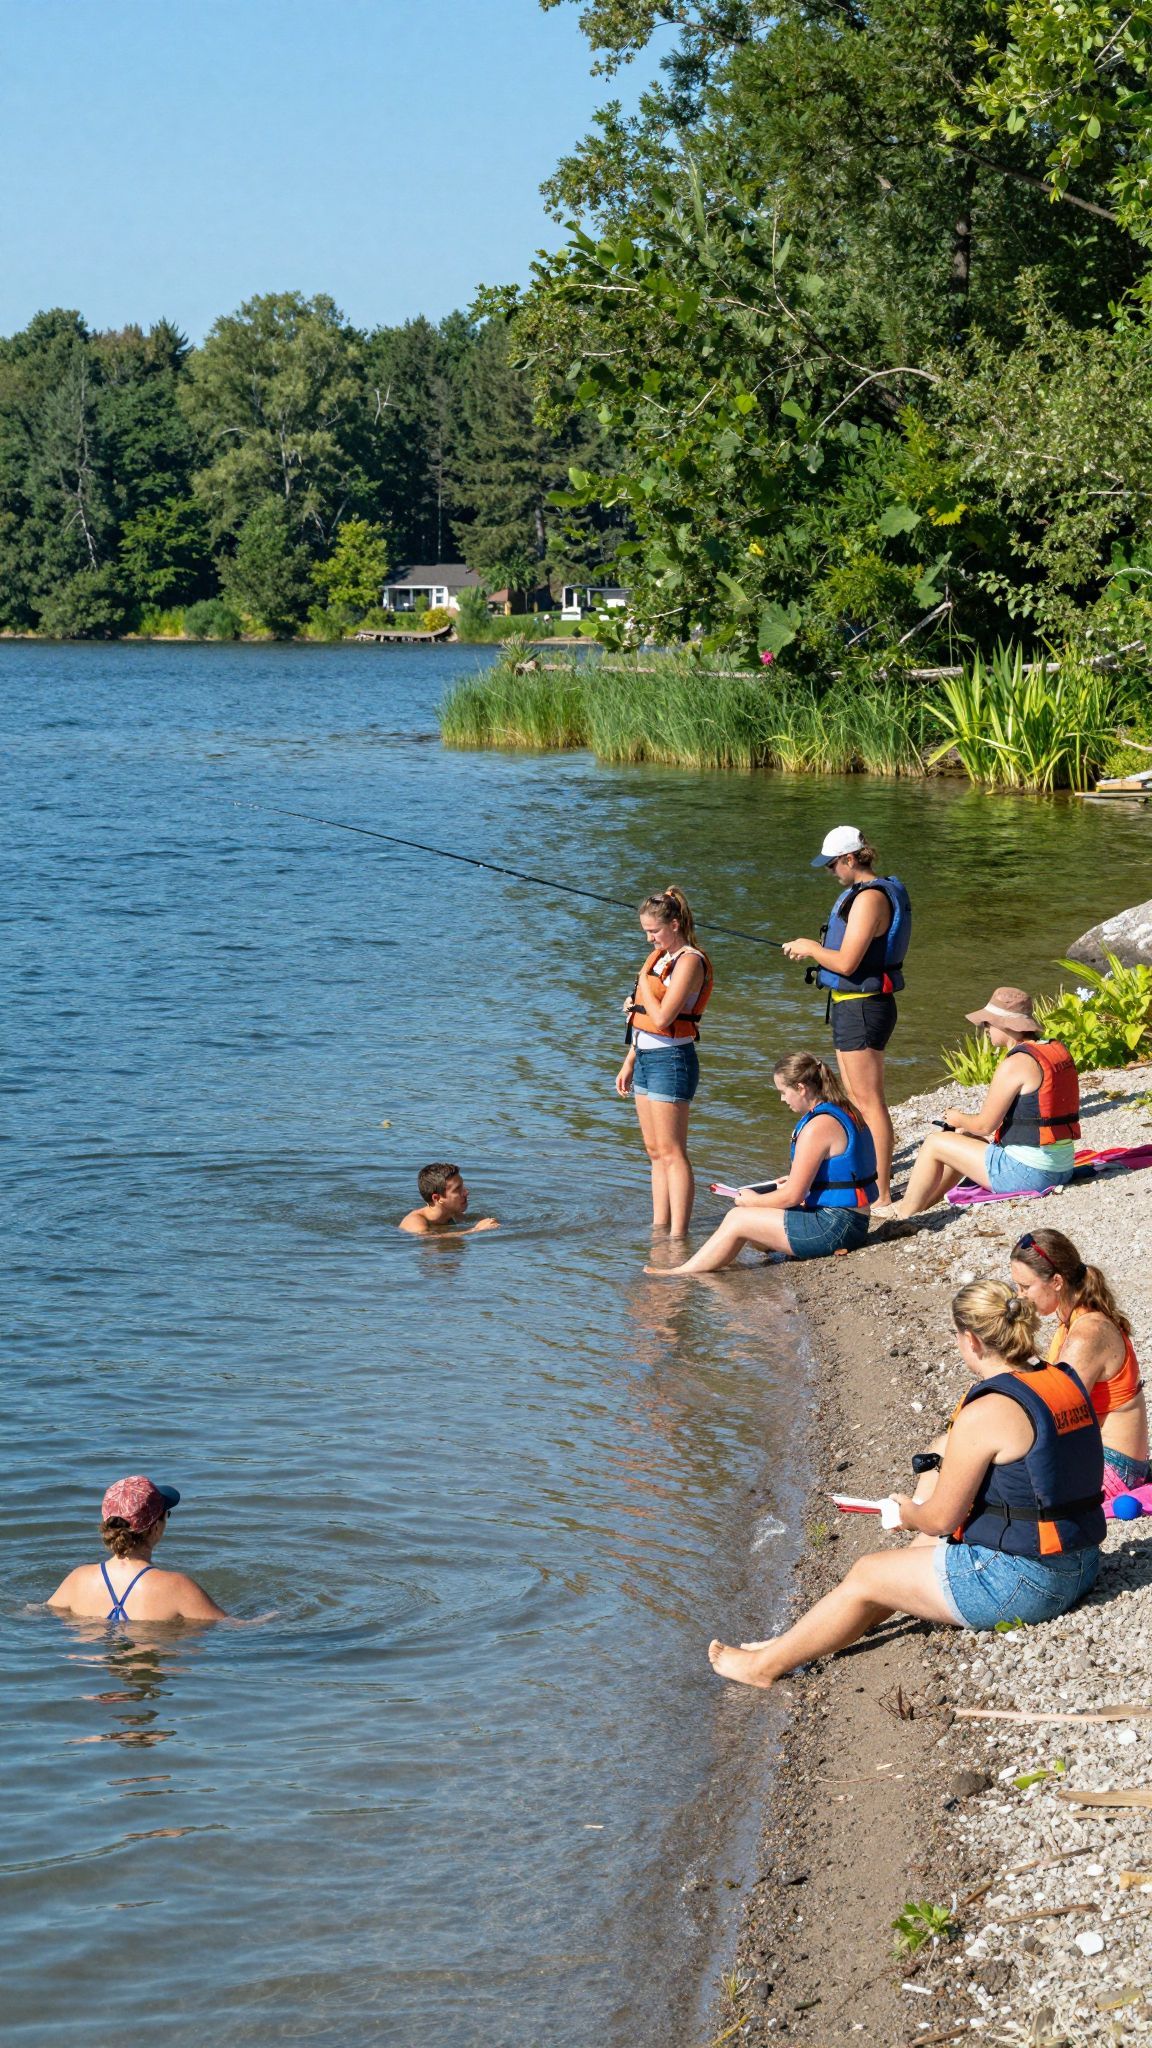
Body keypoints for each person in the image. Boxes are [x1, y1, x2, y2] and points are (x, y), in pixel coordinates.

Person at [708, 1280, 1104, 1688]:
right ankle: (795, 1642)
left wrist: (905, 1510)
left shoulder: (987, 1410)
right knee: (907, 1561)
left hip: (1027, 1585)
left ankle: (763, 1669)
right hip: (1082, 1562)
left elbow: (940, 1519)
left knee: (868, 1573)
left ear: (971, 1340)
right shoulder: (1062, 1380)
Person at [645, 1053, 876, 1274]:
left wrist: (754, 1200)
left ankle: (682, 1273)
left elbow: (792, 1197)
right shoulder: (841, 1110)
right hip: (852, 1221)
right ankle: (724, 1265)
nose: (782, 1099)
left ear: (801, 1088)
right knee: (752, 1221)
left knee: (738, 1218)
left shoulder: (818, 1127)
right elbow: (836, 1173)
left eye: (783, 1092)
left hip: (836, 1227)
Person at [780, 827, 911, 1205]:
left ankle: (883, 1194)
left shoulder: (870, 899)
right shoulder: (862, 895)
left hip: (865, 1006)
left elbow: (848, 961)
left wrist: (810, 948)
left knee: (869, 1101)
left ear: (851, 859)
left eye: (833, 865)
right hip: (853, 1004)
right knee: (855, 1096)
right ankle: (865, 1177)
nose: (831, 873)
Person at [875, 986, 1080, 1221]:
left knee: (935, 1142)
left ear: (1006, 1025)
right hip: (1060, 1168)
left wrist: (956, 1117)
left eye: (988, 1024)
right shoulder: (1051, 1051)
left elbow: (985, 1126)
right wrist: (964, 1129)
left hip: (1029, 1174)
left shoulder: (1016, 1063)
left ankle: (902, 1213)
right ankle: (921, 1206)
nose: (985, 1030)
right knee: (963, 1139)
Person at [1010, 1228, 1149, 1498]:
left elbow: (1056, 1412)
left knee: (999, 1484)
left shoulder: (1088, 1334)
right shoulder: (1074, 1319)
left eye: (1026, 1287)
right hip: (1102, 1453)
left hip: (1115, 1467)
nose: (1020, 1296)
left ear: (1057, 1282)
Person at [616, 887, 713, 1238]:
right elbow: (644, 1020)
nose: (648, 939)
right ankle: (660, 1228)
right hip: (645, 1057)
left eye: (653, 931)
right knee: (655, 1151)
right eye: (645, 931)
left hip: (672, 1060)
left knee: (673, 1152)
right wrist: (629, 1061)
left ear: (674, 924)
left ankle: (679, 1235)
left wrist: (641, 984)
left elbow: (662, 1018)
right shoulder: (660, 958)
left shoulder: (689, 960)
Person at [47, 1475, 229, 1624]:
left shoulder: (78, 1579)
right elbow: (233, 1627)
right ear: (155, 1527)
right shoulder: (177, 1587)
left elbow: (38, 1612)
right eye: (167, 1515)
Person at [399, 1163, 499, 1236]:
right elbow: (428, 1239)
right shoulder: (415, 1222)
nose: (466, 1192)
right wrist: (475, 1230)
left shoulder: (455, 1215)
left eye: (463, 1187)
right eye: (457, 1189)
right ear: (437, 1198)